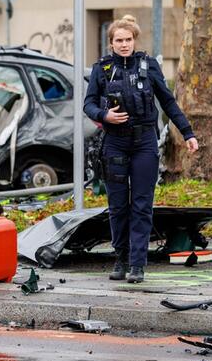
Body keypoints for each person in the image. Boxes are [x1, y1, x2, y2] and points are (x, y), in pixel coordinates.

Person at [83, 15, 199, 283]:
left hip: (145, 141)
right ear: (110, 43)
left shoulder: (149, 65)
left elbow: (169, 103)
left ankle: (137, 264)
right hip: (115, 142)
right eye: (119, 41)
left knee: (142, 205)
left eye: (128, 40)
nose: (124, 45)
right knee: (117, 205)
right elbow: (88, 104)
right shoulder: (101, 69)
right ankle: (120, 259)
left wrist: (188, 133)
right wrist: (104, 115)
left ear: (135, 40)